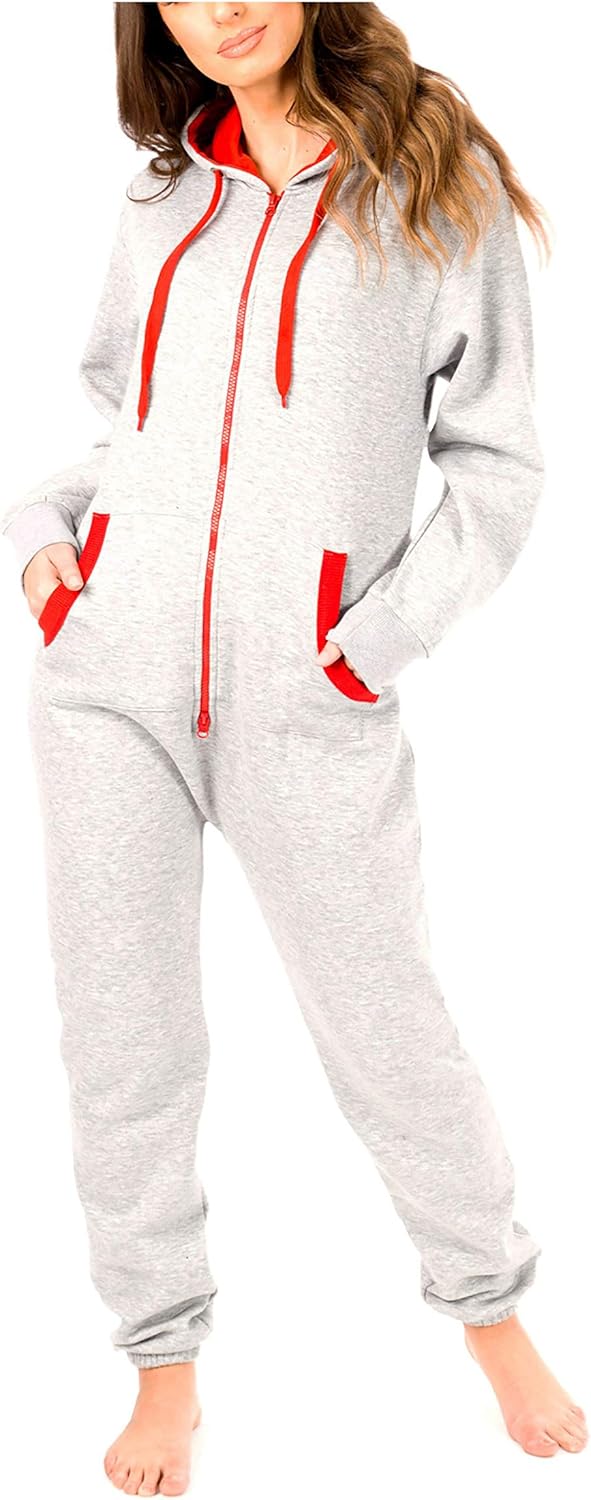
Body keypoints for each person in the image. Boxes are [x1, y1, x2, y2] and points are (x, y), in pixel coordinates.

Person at [2, 3, 586, 1495]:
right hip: (108, 679)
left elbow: (501, 468)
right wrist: (50, 545)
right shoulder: (160, 199)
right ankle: (163, 1362)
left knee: (384, 1016)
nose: (225, 6)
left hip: (308, 696)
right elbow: (135, 429)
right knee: (122, 1036)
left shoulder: (431, 181)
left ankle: (491, 1311)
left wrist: (365, 644)